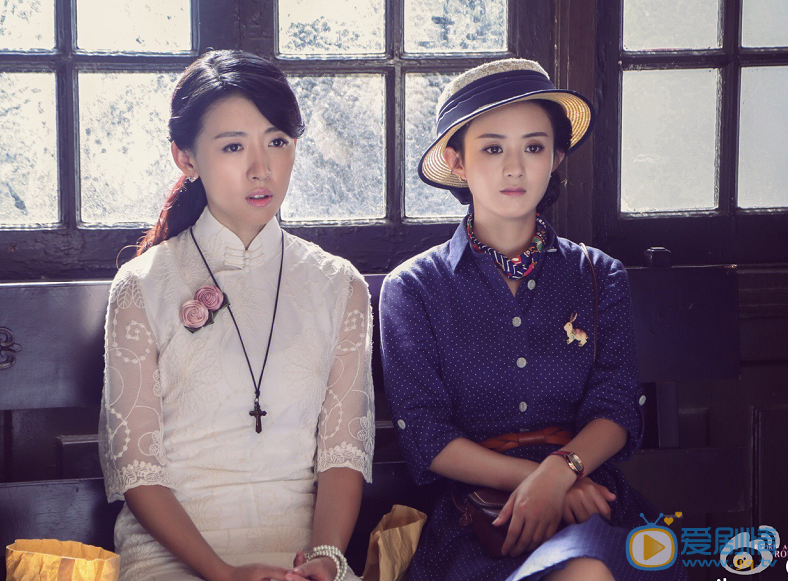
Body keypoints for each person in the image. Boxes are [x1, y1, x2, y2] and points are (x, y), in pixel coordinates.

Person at [379, 59, 687, 580]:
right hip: (479, 519)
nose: (515, 168)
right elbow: (426, 436)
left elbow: (616, 409)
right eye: (492, 148)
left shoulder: (599, 275)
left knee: (592, 568)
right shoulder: (413, 289)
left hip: (593, 501)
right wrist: (543, 481)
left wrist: (563, 472)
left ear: (557, 157)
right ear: (456, 161)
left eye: (534, 147)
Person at [99, 50, 373, 581]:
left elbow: (343, 454)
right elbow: (138, 471)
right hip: (174, 560)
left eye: (277, 141)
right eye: (232, 146)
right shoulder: (141, 285)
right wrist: (223, 574)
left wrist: (326, 556)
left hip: (302, 561)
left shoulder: (339, 285)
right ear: (186, 159)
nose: (261, 168)